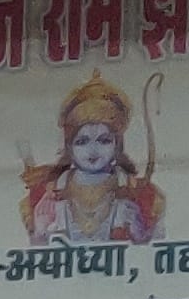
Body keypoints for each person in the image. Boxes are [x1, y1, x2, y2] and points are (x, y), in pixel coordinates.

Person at [22, 74, 164, 247]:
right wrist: (40, 233)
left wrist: (140, 233)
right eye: (82, 141)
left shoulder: (144, 196)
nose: (93, 150)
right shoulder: (44, 196)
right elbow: (31, 264)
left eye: (104, 140)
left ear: (117, 144)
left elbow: (162, 260)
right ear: (69, 146)